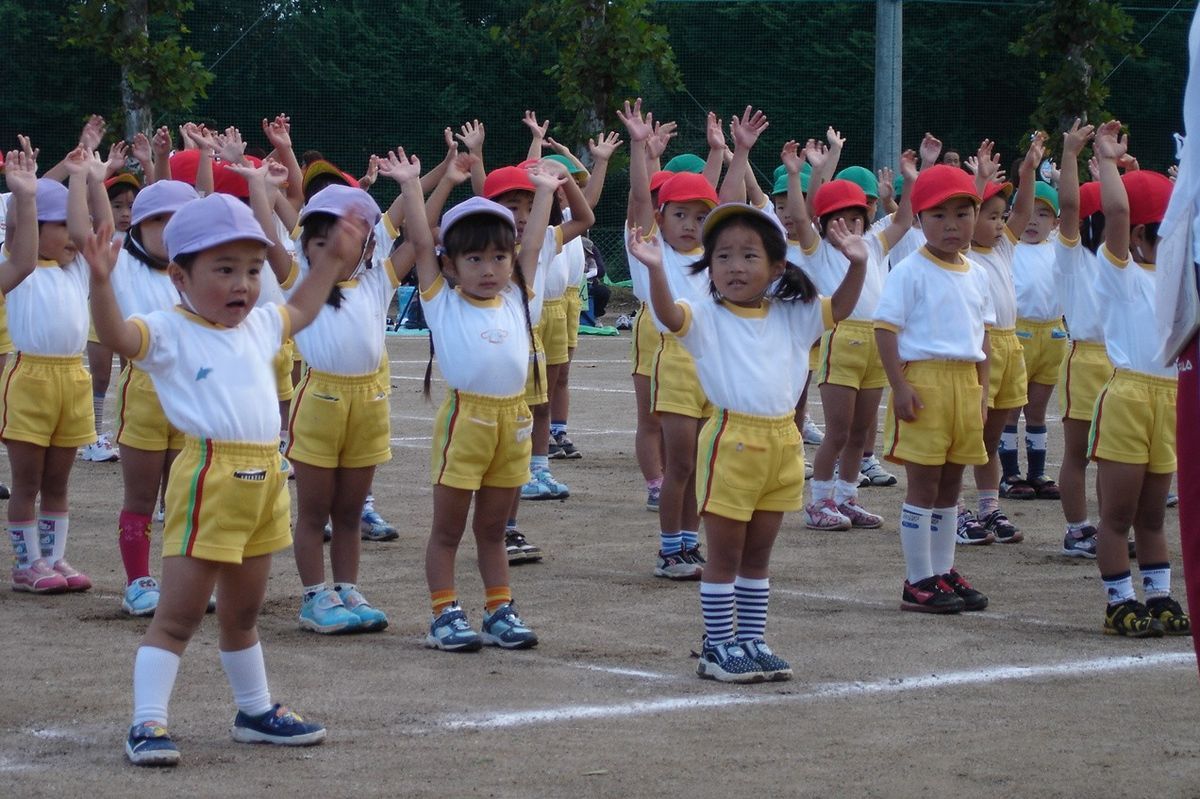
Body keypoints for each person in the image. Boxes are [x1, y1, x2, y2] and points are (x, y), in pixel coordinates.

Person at [88, 191, 354, 766]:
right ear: (179, 276)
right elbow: (116, 338)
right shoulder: (167, 329)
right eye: (225, 269)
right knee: (180, 615)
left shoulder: (258, 326)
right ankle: (147, 722)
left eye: (253, 270)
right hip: (210, 476)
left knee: (243, 613)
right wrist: (101, 282)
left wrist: (331, 261)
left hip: (265, 481)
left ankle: (253, 711)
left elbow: (302, 308)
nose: (243, 284)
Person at [629, 188, 864, 681]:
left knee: (758, 555)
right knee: (726, 554)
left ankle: (752, 640)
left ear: (777, 266)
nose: (735, 266)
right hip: (731, 440)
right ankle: (717, 646)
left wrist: (857, 264)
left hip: (783, 444)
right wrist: (655, 269)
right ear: (709, 267)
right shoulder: (705, 315)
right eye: (724, 256)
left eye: (749, 255)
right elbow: (670, 316)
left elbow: (839, 307)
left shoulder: (794, 315)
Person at [384, 148, 561, 652]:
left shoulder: (516, 296)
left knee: (492, 528)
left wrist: (546, 192)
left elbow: (531, 246)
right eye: (475, 258)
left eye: (498, 257)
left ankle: (498, 609)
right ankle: (444, 613)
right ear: (451, 264)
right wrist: (412, 186)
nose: (490, 268)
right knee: (447, 529)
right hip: (467, 422)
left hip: (514, 423)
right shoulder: (441, 299)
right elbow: (420, 241)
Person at [620, 99, 734, 580]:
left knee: (701, 467)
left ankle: (689, 544)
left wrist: (735, 153)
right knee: (681, 465)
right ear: (662, 219)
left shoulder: (711, 253)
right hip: (675, 364)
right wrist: (639, 148)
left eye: (698, 216)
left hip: (711, 366)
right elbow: (640, 202)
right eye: (680, 215)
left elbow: (727, 204)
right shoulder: (650, 251)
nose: (689, 224)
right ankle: (670, 550)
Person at [874, 165, 994, 614]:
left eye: (962, 214)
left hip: (964, 384)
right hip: (925, 381)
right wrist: (900, 386)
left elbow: (982, 338)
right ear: (920, 219)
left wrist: (981, 393)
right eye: (938, 215)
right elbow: (885, 330)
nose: (952, 225)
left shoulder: (976, 272)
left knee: (951, 486)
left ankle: (943, 571)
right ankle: (917, 579)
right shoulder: (909, 271)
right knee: (923, 486)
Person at [283, 182, 402, 635]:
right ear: (305, 246)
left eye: (345, 239)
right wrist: (263, 190)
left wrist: (424, 183)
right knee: (315, 511)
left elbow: (420, 239)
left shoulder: (378, 281)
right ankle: (315, 595)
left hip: (368, 405)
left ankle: (347, 588)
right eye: (322, 241)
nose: (334, 249)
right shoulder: (298, 284)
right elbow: (274, 238)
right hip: (320, 403)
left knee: (350, 512)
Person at [1089, 120, 1189, 638]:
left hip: (1170, 399)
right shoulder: (1121, 273)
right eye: (1163, 233)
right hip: (1128, 395)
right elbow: (1120, 212)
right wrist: (1107, 161)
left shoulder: (1180, 282)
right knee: (1118, 513)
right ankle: (1118, 601)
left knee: (1153, 515)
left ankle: (1161, 596)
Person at [787, 144, 917, 532]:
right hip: (839, 340)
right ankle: (820, 501)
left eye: (855, 217)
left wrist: (910, 182)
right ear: (823, 223)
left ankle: (847, 496)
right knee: (839, 430)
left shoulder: (874, 245)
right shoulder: (816, 251)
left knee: (862, 432)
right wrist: (796, 175)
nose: (848, 225)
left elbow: (905, 219)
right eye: (837, 219)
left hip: (874, 343)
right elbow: (798, 214)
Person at [3, 146, 109, 594]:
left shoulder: (77, 272)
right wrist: (25, 197)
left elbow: (99, 230)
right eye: (60, 225)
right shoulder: (18, 269)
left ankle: (54, 558)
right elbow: (24, 254)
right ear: (32, 229)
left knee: (58, 482)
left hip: (72, 379)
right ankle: (27, 565)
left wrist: (90, 179)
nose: (71, 235)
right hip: (30, 380)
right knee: (27, 480)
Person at [109, 179, 200, 615]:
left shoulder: (200, 270)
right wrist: (92, 176)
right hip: (144, 391)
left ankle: (182, 584)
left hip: (191, 395)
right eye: (156, 221)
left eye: (177, 220)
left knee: (183, 498)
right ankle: (138, 583)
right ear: (137, 228)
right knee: (141, 498)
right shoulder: (121, 265)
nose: (166, 230)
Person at [956, 135, 1046, 545]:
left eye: (999, 216)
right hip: (981, 348)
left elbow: (1024, 209)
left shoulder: (1003, 249)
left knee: (990, 437)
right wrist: (976, 183)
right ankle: (953, 509)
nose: (998, 223)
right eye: (988, 215)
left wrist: (1028, 171)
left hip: (1011, 346)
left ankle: (989, 508)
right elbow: (963, 216)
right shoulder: (960, 253)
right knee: (967, 436)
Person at [1052, 119, 1110, 557]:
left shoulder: (1122, 259)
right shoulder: (1074, 257)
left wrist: (1112, 163)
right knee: (1078, 452)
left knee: (1115, 457)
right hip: (1086, 360)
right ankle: (1078, 529)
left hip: (1122, 363)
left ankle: (1110, 528)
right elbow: (1070, 207)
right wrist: (1070, 155)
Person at [1001, 179, 1065, 500]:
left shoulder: (1058, 248)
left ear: (1056, 222)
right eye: (1028, 211)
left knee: (1037, 411)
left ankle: (1037, 473)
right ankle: (1010, 474)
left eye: (1044, 214)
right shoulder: (1008, 247)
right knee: (1012, 408)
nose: (1034, 221)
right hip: (1018, 334)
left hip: (1053, 336)